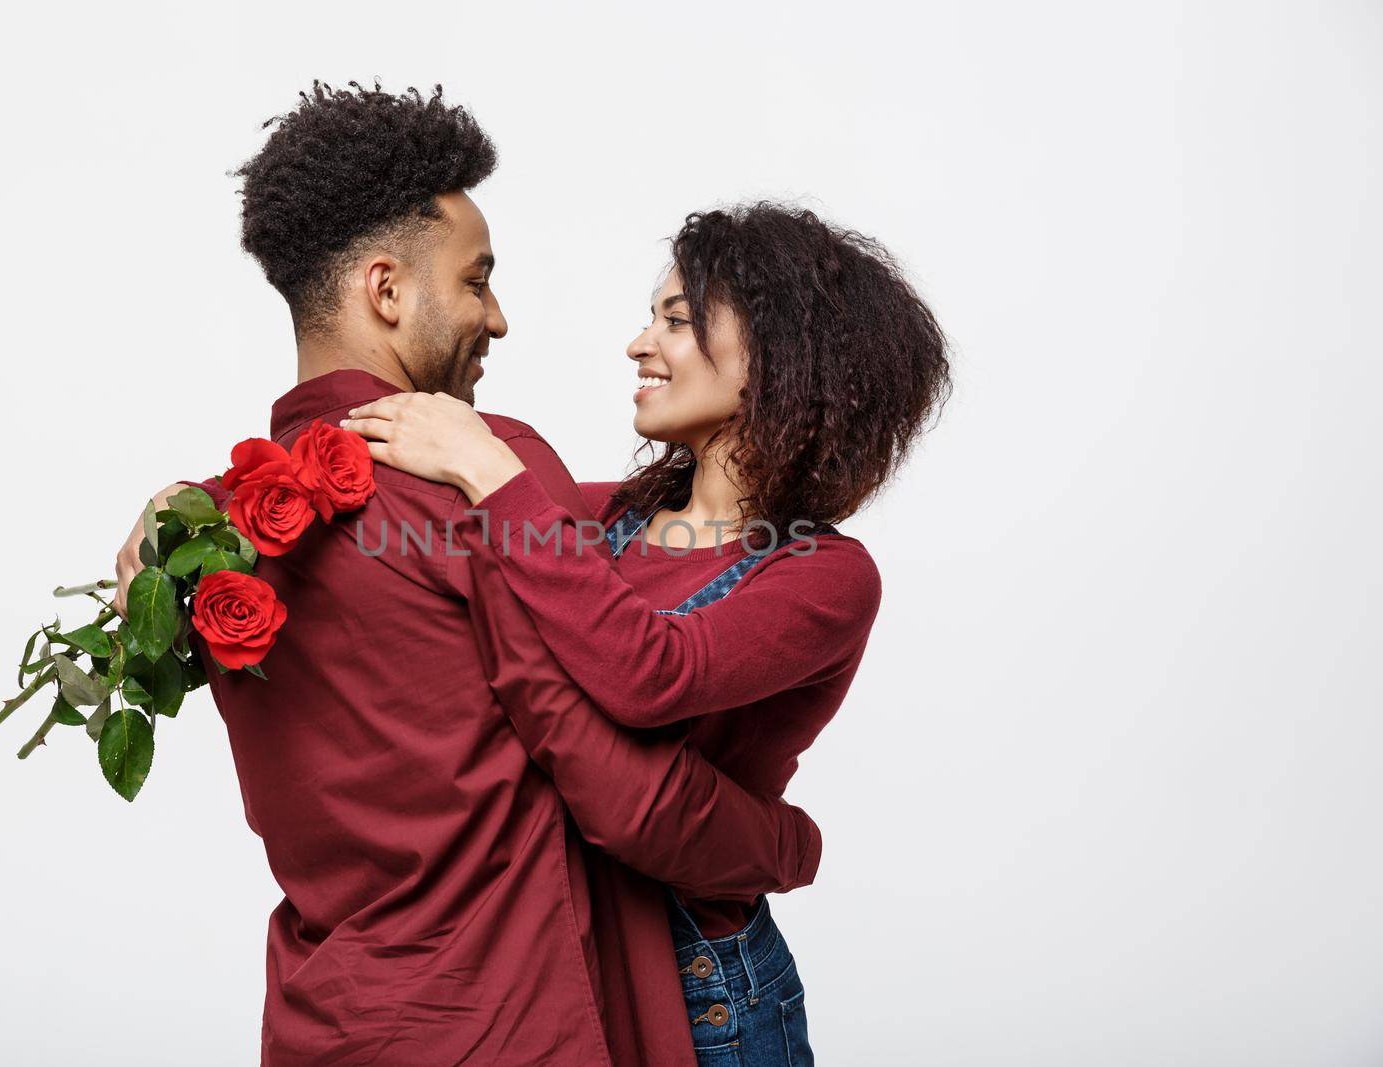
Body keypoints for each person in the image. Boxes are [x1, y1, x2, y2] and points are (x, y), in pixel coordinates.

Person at [112, 81, 823, 1066]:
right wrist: (789, 845)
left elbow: (646, 512)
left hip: (331, 1023)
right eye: (477, 279)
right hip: (519, 1020)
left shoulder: (215, 537)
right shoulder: (488, 475)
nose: (497, 317)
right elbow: (630, 782)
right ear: (387, 291)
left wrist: (176, 505)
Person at [338, 201, 952, 1065]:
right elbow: (387, 489)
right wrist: (191, 506)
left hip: (708, 989)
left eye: (675, 320)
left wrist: (486, 463)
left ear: (776, 357)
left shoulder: (823, 575)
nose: (639, 344)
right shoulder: (610, 518)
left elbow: (650, 671)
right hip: (574, 957)